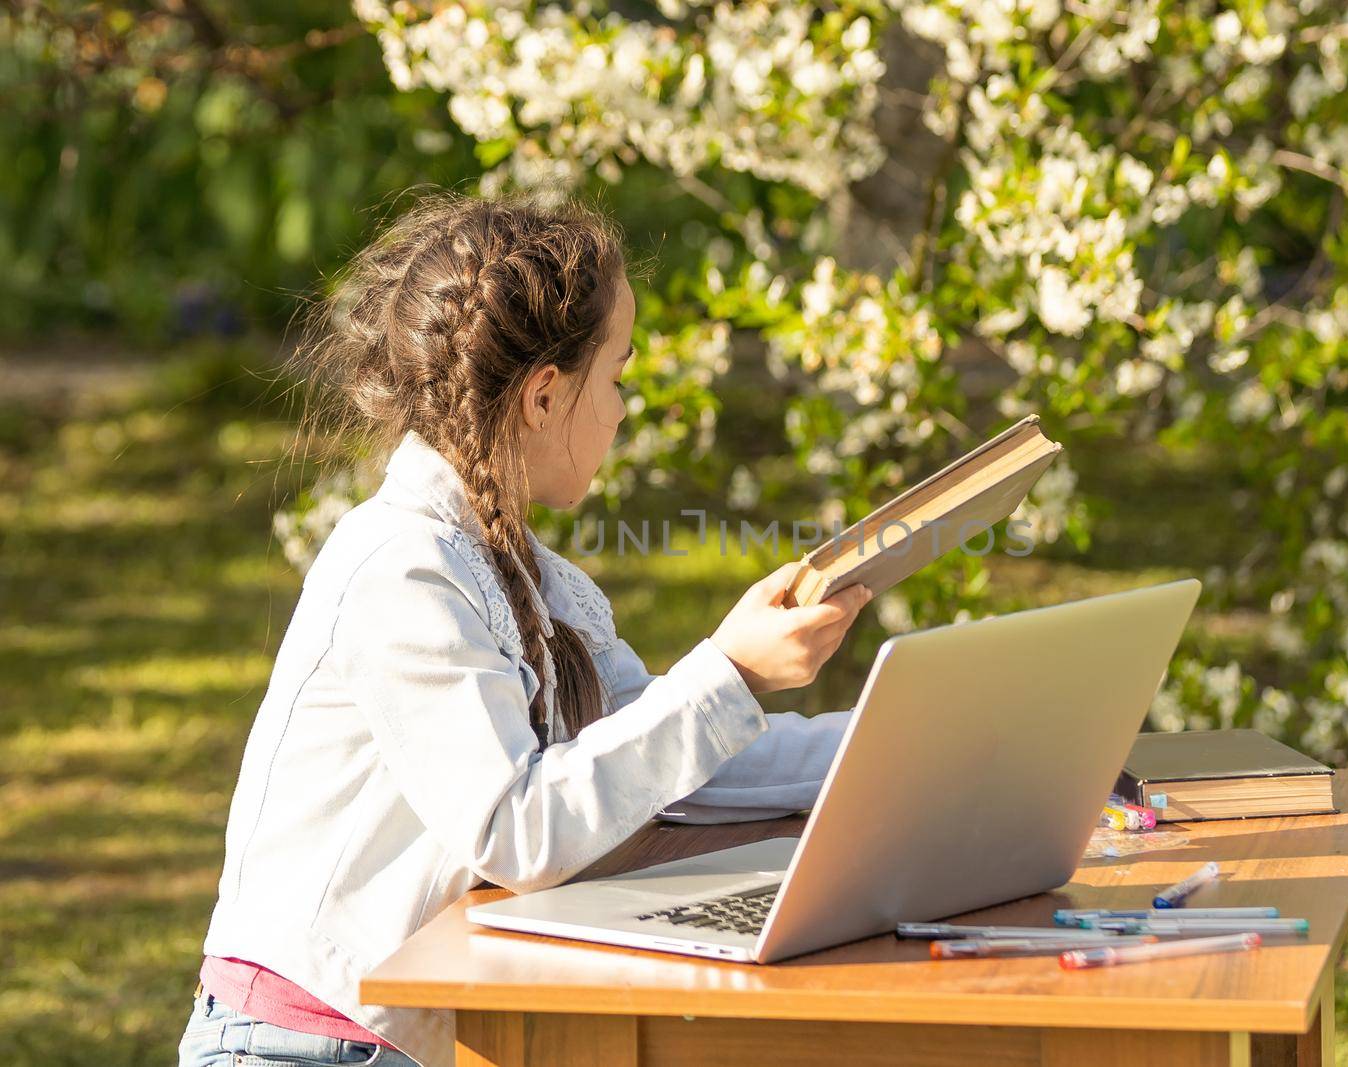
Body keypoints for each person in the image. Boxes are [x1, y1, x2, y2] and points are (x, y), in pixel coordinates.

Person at [177, 192, 872, 1067]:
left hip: (399, 1040)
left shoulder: (541, 584)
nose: (624, 406)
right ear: (545, 396)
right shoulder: (401, 567)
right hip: (298, 1047)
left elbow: (676, 765)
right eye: (616, 374)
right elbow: (516, 829)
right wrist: (729, 671)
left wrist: (897, 739)